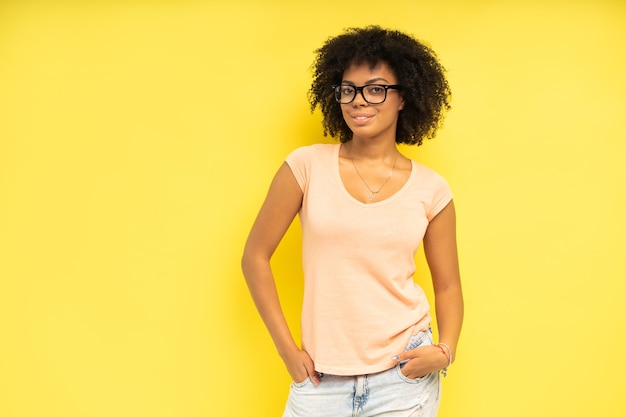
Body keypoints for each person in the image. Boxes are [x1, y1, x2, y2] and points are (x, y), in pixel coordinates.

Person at [241, 25, 463, 417]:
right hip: (320, 380)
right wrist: (288, 353)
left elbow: (447, 284)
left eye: (375, 88)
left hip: (402, 378)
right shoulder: (305, 166)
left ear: (403, 98)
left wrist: (445, 351)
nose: (359, 101)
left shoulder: (431, 189)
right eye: (349, 89)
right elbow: (255, 256)